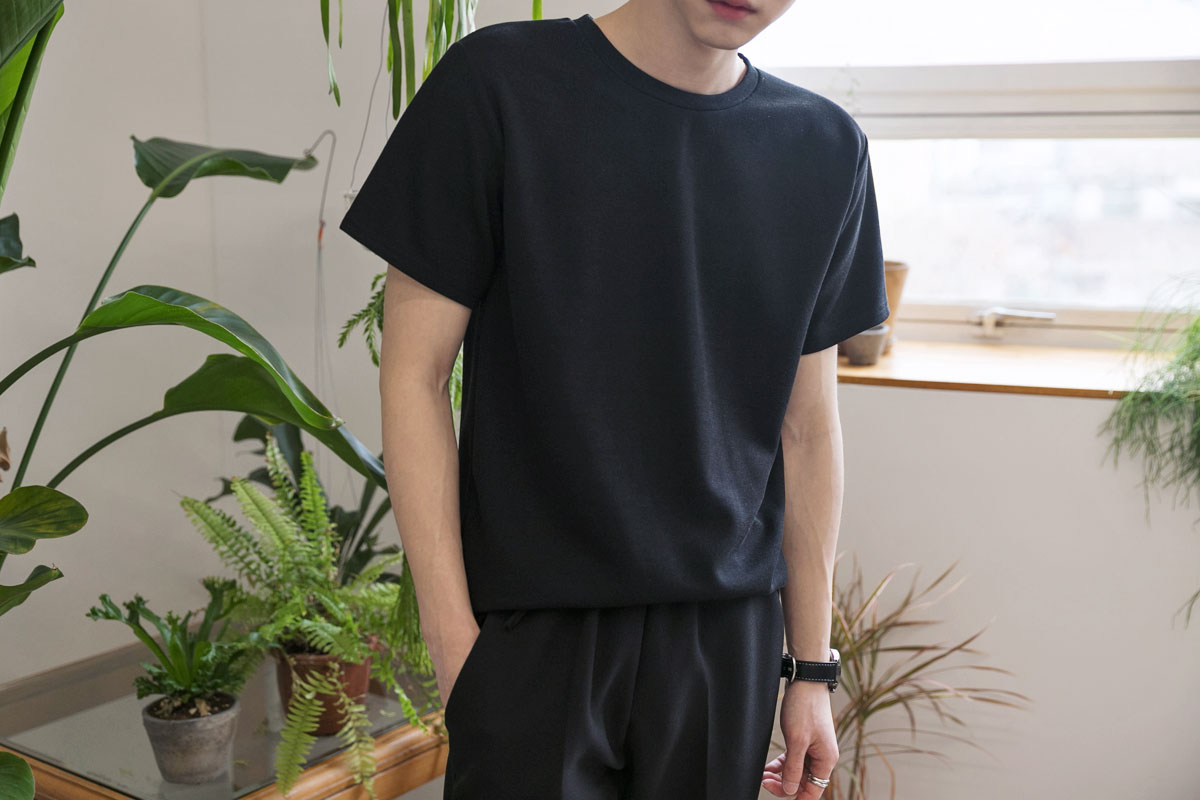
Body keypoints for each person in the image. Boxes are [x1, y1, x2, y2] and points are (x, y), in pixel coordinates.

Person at [338, 0, 890, 797]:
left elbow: (808, 430)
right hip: (533, 631)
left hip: (722, 643)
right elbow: (414, 377)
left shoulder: (824, 147)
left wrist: (810, 670)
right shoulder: (499, 85)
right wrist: (453, 642)